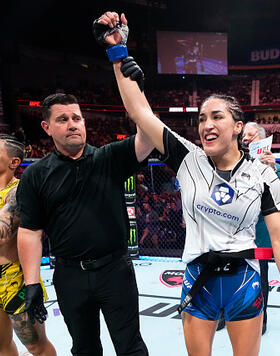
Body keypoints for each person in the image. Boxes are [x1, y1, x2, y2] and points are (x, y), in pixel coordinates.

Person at [93, 11, 280, 356]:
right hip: (198, 282)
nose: (207, 124)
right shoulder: (187, 157)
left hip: (245, 282)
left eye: (217, 116)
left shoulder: (263, 173)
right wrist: (119, 54)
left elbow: (279, 235)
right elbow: (140, 113)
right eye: (201, 118)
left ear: (238, 127)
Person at [16, 93, 153, 356]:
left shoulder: (109, 157)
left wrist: (136, 90)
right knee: (84, 348)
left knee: (131, 346)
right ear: (47, 127)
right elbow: (30, 231)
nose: (73, 124)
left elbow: (147, 135)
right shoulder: (36, 174)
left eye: (77, 118)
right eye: (63, 119)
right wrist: (31, 283)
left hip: (115, 271)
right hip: (70, 276)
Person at [0, 134, 56, 356]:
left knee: (36, 346)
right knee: (1, 345)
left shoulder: (19, 191)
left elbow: (2, 234)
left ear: (14, 162)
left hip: (15, 278)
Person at [243, 121, 280, 335]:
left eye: (251, 135)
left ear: (263, 140)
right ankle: (224, 315)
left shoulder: (275, 167)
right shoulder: (238, 162)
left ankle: (261, 319)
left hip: (262, 232)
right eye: (244, 135)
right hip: (238, 231)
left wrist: (272, 169)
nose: (246, 138)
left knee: (261, 277)